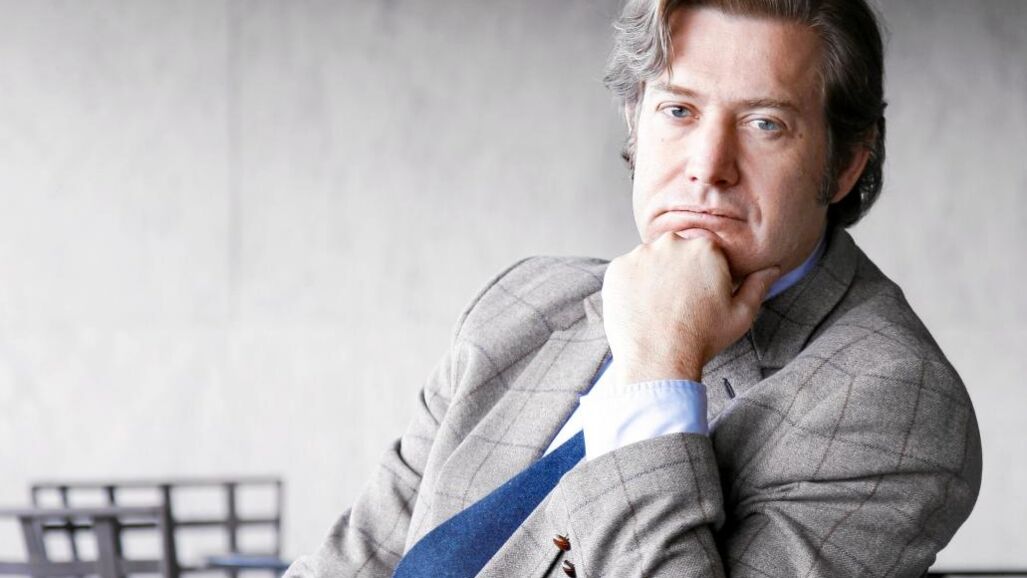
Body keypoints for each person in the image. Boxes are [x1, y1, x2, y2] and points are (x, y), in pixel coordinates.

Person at [287, 0, 982, 575]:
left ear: (845, 163)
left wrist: (657, 371)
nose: (708, 165)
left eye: (764, 123)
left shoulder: (892, 400)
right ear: (634, 122)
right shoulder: (524, 302)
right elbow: (353, 560)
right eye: (678, 111)